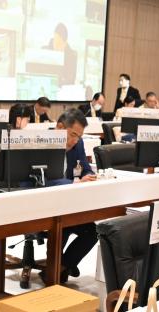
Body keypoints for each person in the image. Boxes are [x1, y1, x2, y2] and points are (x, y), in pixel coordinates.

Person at [49, 109, 98, 281]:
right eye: (73, 135)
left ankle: (62, 266)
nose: (75, 140)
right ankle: (54, 271)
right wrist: (73, 183)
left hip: (69, 204)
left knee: (93, 232)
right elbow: (42, 180)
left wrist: (90, 177)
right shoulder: (41, 142)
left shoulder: (78, 143)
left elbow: (85, 168)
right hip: (45, 205)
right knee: (61, 226)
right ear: (60, 127)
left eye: (79, 136)